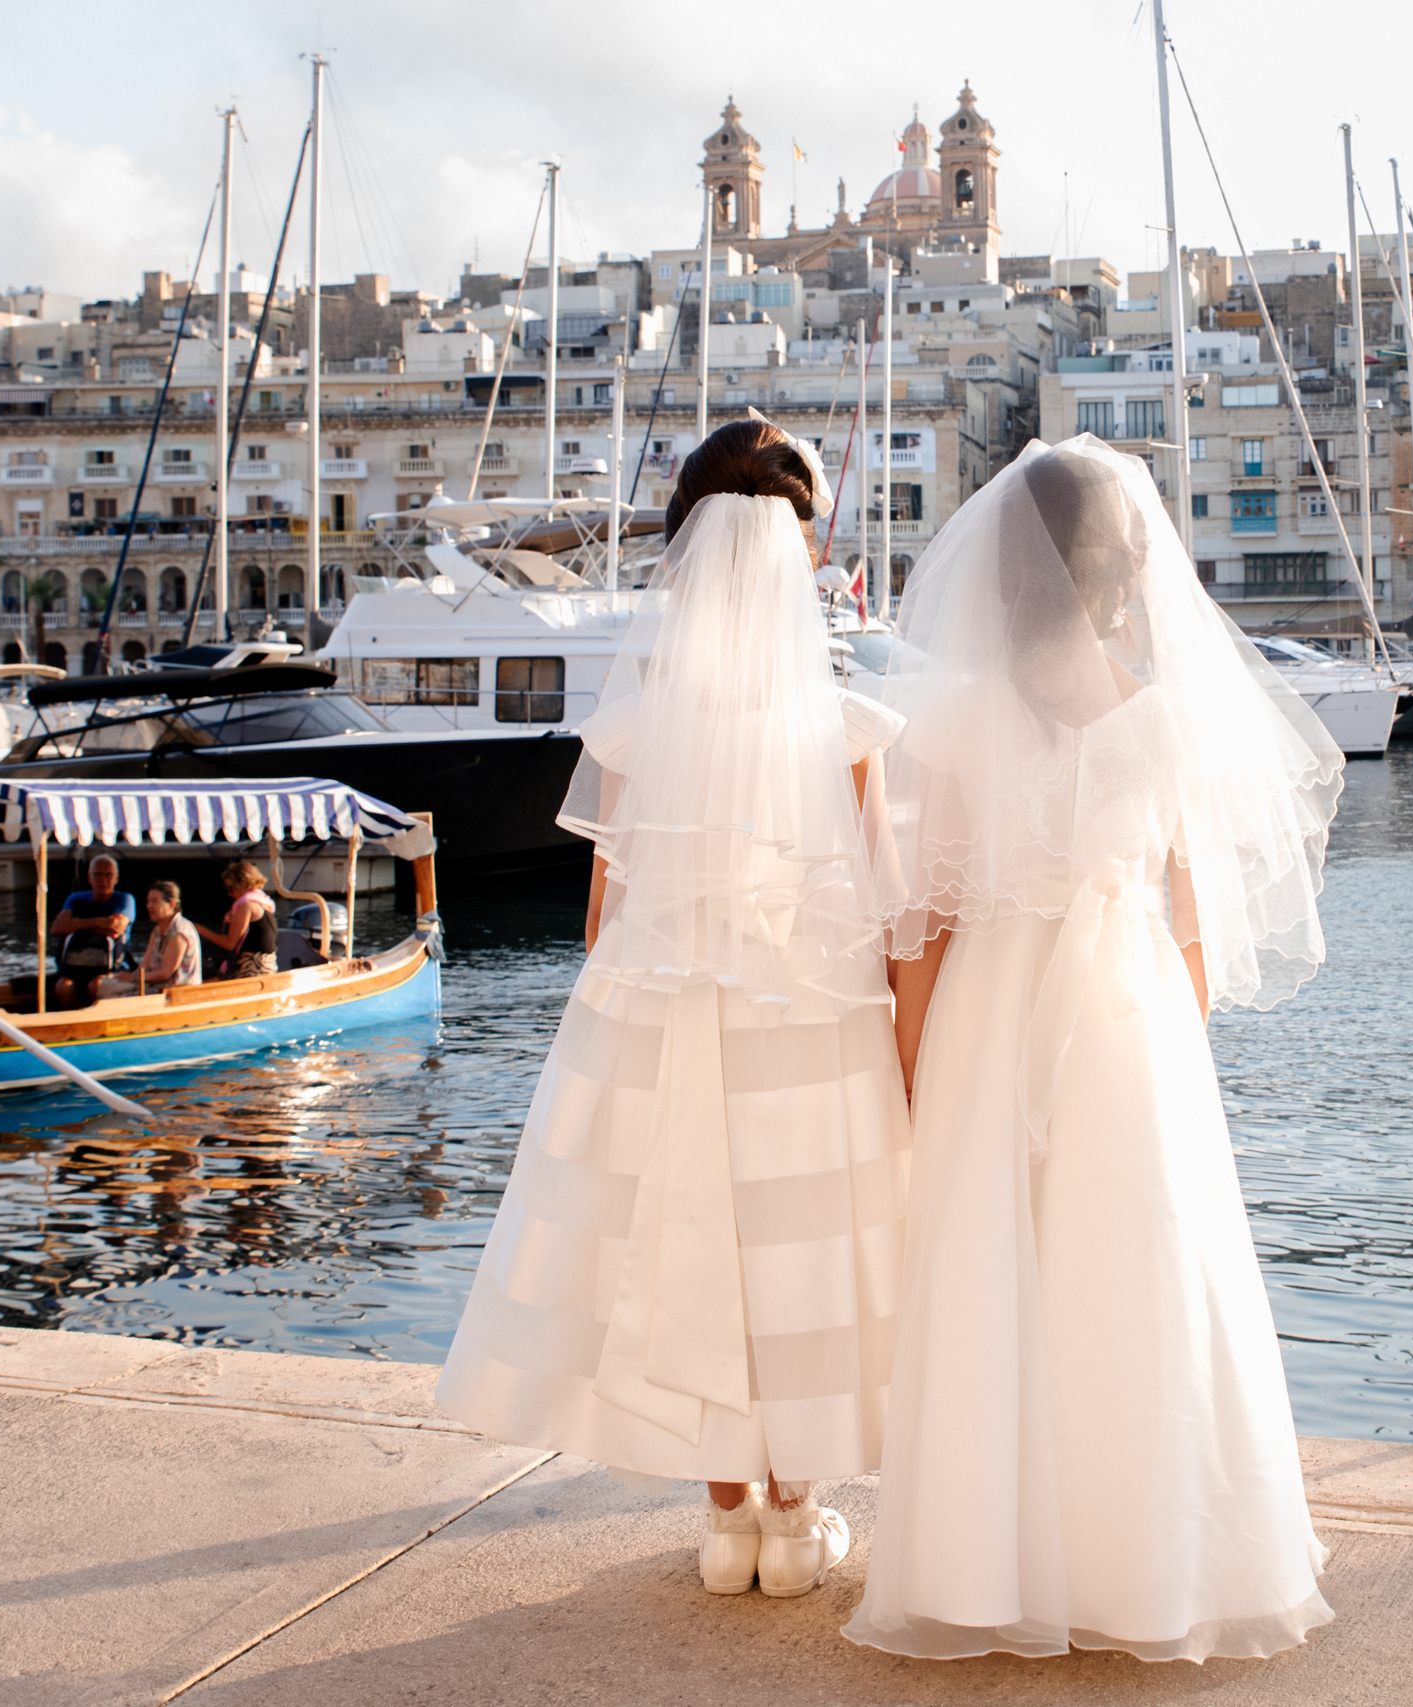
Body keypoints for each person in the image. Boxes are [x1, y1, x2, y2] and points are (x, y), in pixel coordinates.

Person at [843, 437, 1345, 1664]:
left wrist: (909, 1063)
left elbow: (928, 927)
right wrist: (1167, 1043)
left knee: (990, 1276)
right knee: (1139, 1276)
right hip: (1126, 1014)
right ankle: (1148, 1569)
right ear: (1125, 575)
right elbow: (1192, 937)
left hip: (992, 1012)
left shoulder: (952, 722)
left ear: (1008, 578)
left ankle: (983, 1563)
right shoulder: (1166, 723)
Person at [437, 418, 910, 1602]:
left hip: (663, 1018)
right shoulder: (846, 727)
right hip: (812, 1022)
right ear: (797, 554)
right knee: (801, 1247)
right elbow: (890, 907)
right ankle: (797, 1514)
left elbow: (602, 914)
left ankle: (726, 1520)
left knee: (677, 1232)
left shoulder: (641, 725)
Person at [50, 854, 135, 1006]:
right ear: (89, 878)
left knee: (96, 985)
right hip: (76, 966)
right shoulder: (76, 898)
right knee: (63, 987)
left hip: (112, 968)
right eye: (98, 875)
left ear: (117, 878)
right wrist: (99, 921)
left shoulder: (125, 900)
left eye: (109, 875)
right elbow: (57, 927)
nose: (103, 880)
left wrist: (77, 925)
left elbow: (115, 929)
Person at [112, 879, 201, 998]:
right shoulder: (157, 931)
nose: (149, 906)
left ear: (171, 904)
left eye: (155, 901)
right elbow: (145, 965)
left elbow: (165, 974)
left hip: (175, 994)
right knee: (101, 986)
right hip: (155, 987)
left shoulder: (179, 932)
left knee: (111, 998)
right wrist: (125, 977)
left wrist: (133, 977)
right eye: (148, 901)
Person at [196, 861, 277, 980]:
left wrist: (201, 930)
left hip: (250, 971)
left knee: (196, 986)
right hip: (266, 969)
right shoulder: (262, 902)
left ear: (243, 884)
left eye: (231, 888)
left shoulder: (246, 906)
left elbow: (229, 944)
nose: (229, 894)